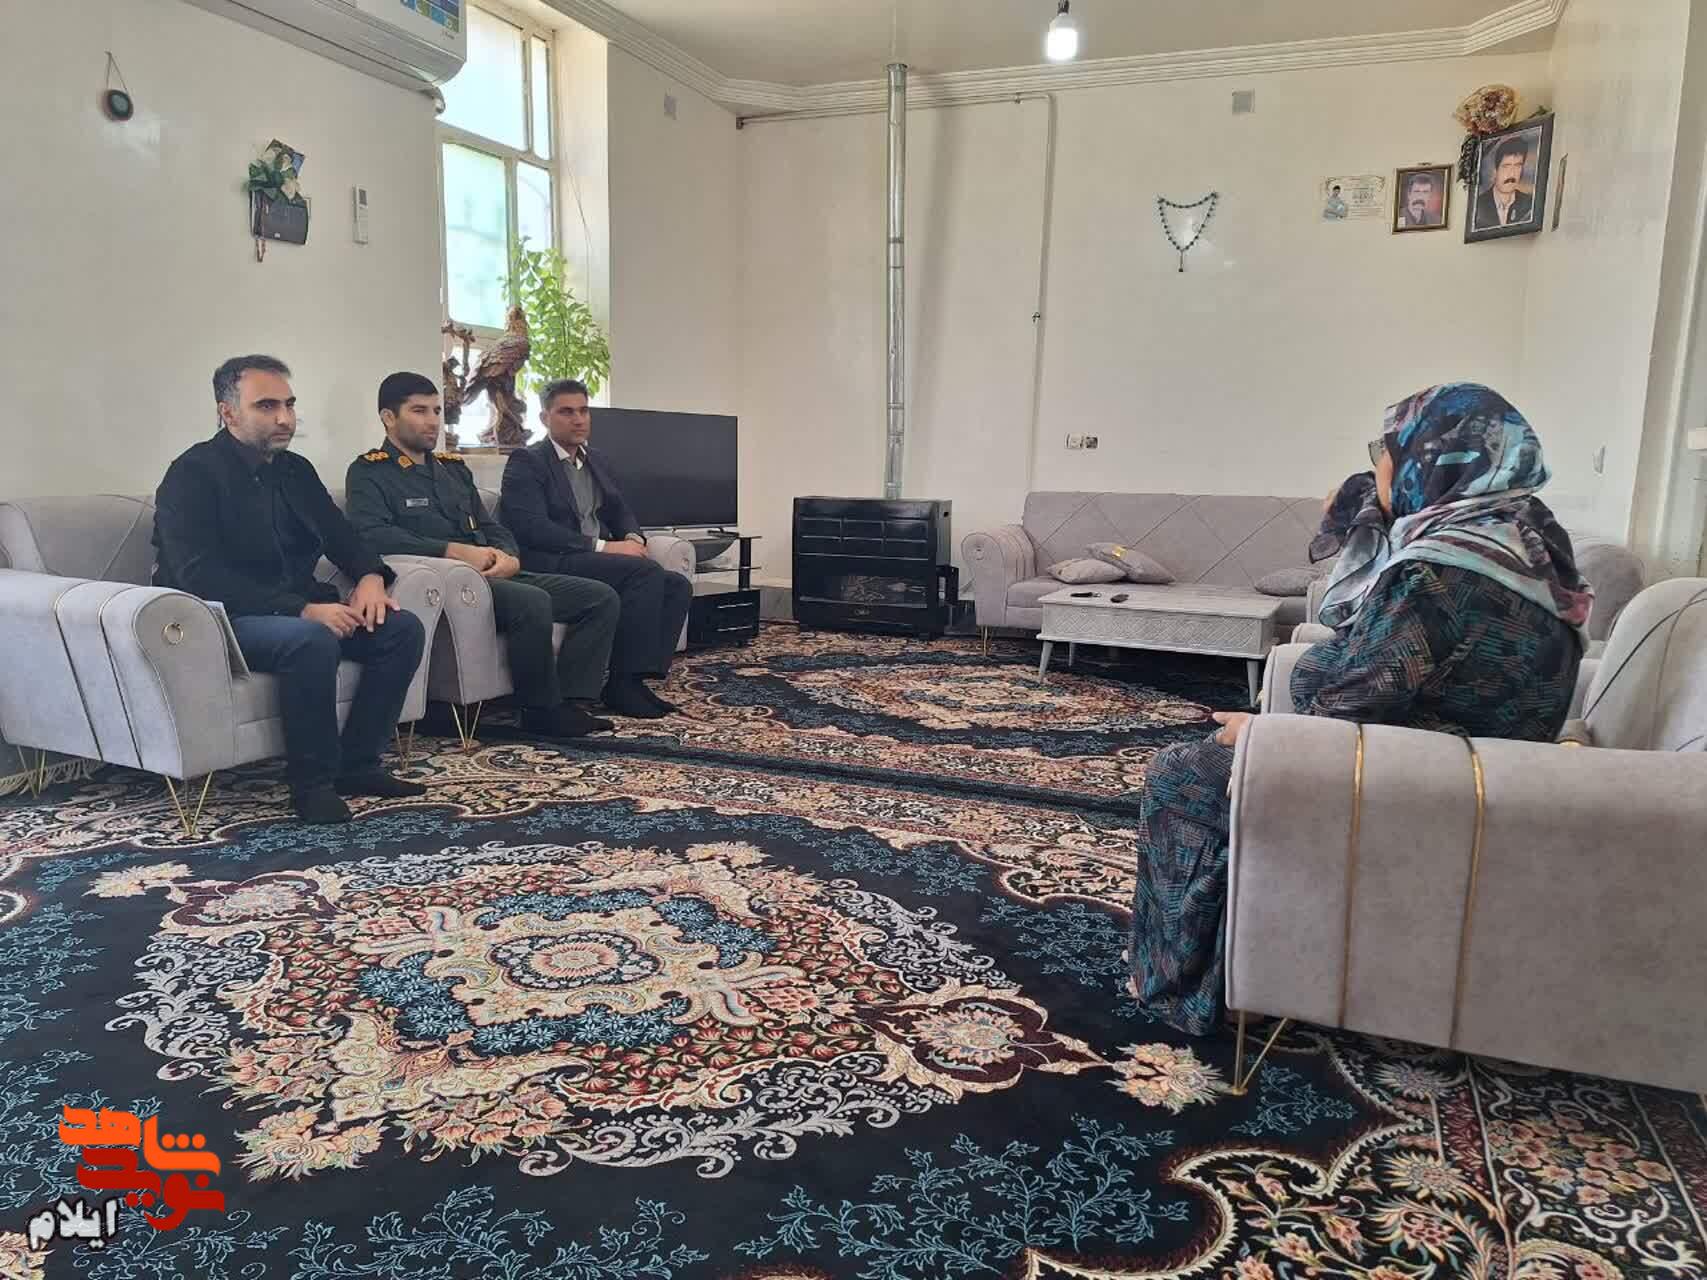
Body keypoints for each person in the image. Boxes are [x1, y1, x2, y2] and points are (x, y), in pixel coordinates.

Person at [1128, 383, 1593, 1035]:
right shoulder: (1525, 539)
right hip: (1484, 771)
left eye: (1385, 449)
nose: (1377, 463)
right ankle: (1252, 959)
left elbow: (1346, 705)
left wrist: (1261, 736)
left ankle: (1189, 983)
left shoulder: (1438, 574)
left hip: (1417, 785)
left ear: (1434, 457)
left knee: (1181, 775)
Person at [153, 355, 428, 825]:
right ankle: (311, 785)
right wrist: (301, 610)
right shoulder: (192, 474)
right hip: (221, 618)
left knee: (401, 629)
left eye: (289, 404)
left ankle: (358, 764)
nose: (284, 418)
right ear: (227, 412)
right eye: (267, 406)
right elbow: (199, 575)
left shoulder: (295, 470)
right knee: (311, 640)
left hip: (295, 608)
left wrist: (369, 577)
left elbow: (343, 536)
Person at [344, 372, 620, 738]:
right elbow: (373, 534)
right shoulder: (370, 472)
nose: (432, 421)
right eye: (419, 411)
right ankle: (540, 710)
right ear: (388, 417)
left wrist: (509, 556)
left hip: (492, 573)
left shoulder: (452, 470)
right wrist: (452, 550)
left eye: (437, 411)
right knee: (531, 601)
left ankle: (571, 700)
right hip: (449, 582)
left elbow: (490, 524)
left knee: (599, 597)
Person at [498, 379, 693, 720]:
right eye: (566, 412)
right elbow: (532, 528)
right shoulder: (527, 461)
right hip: (552, 560)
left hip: (591, 559)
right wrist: (604, 546)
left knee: (676, 585)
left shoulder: (597, 460)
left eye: (584, 411)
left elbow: (619, 509)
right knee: (644, 573)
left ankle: (638, 678)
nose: (578, 420)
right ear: (545, 418)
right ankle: (622, 684)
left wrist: (633, 537)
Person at [1474, 136, 1534, 230]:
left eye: (1517, 166)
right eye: (1506, 166)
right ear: (1495, 171)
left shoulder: (1530, 204)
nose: (1512, 173)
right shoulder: (1478, 205)